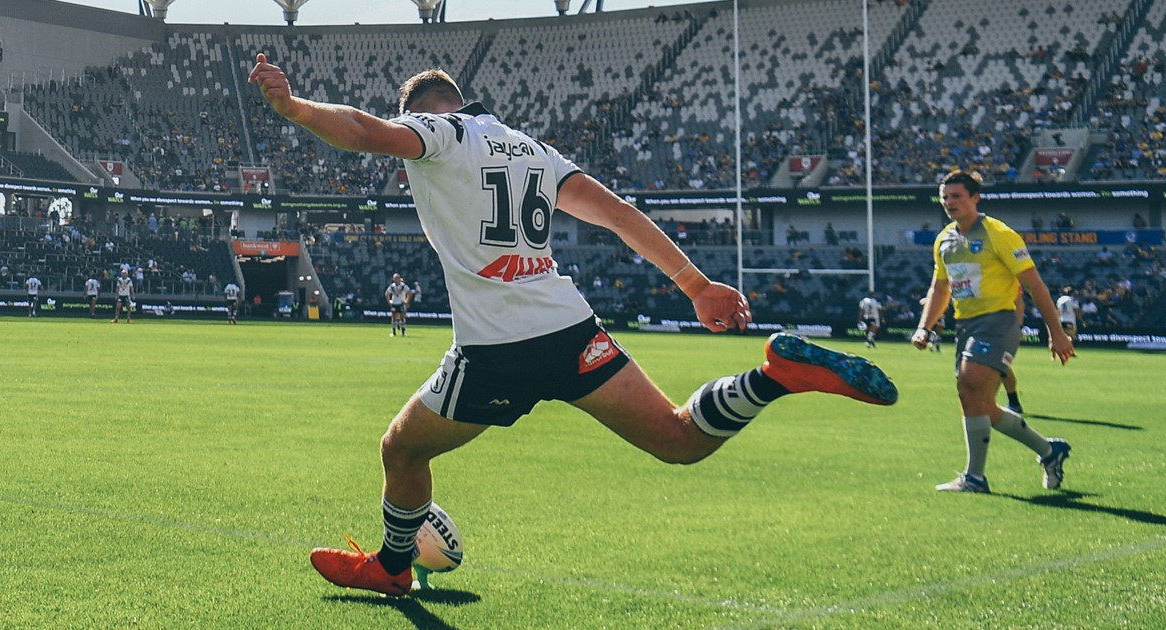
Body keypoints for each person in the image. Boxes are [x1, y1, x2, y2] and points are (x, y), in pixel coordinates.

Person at [250, 54, 897, 597]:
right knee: (678, 438)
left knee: (402, 449)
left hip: (499, 346)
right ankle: (773, 379)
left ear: (425, 109)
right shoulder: (533, 150)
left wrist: (295, 108)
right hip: (570, 326)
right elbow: (615, 212)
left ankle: (392, 569)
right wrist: (696, 285)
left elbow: (365, 132)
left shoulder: (441, 133)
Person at [911, 170, 1074, 494]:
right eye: (945, 197)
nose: (949, 203)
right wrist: (924, 327)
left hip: (998, 321)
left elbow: (1034, 283)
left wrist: (1056, 332)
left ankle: (974, 477)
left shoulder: (998, 233)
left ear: (975, 198)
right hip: (967, 324)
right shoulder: (944, 239)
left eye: (956, 196)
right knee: (977, 402)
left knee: (969, 383)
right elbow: (940, 287)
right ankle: (1049, 451)